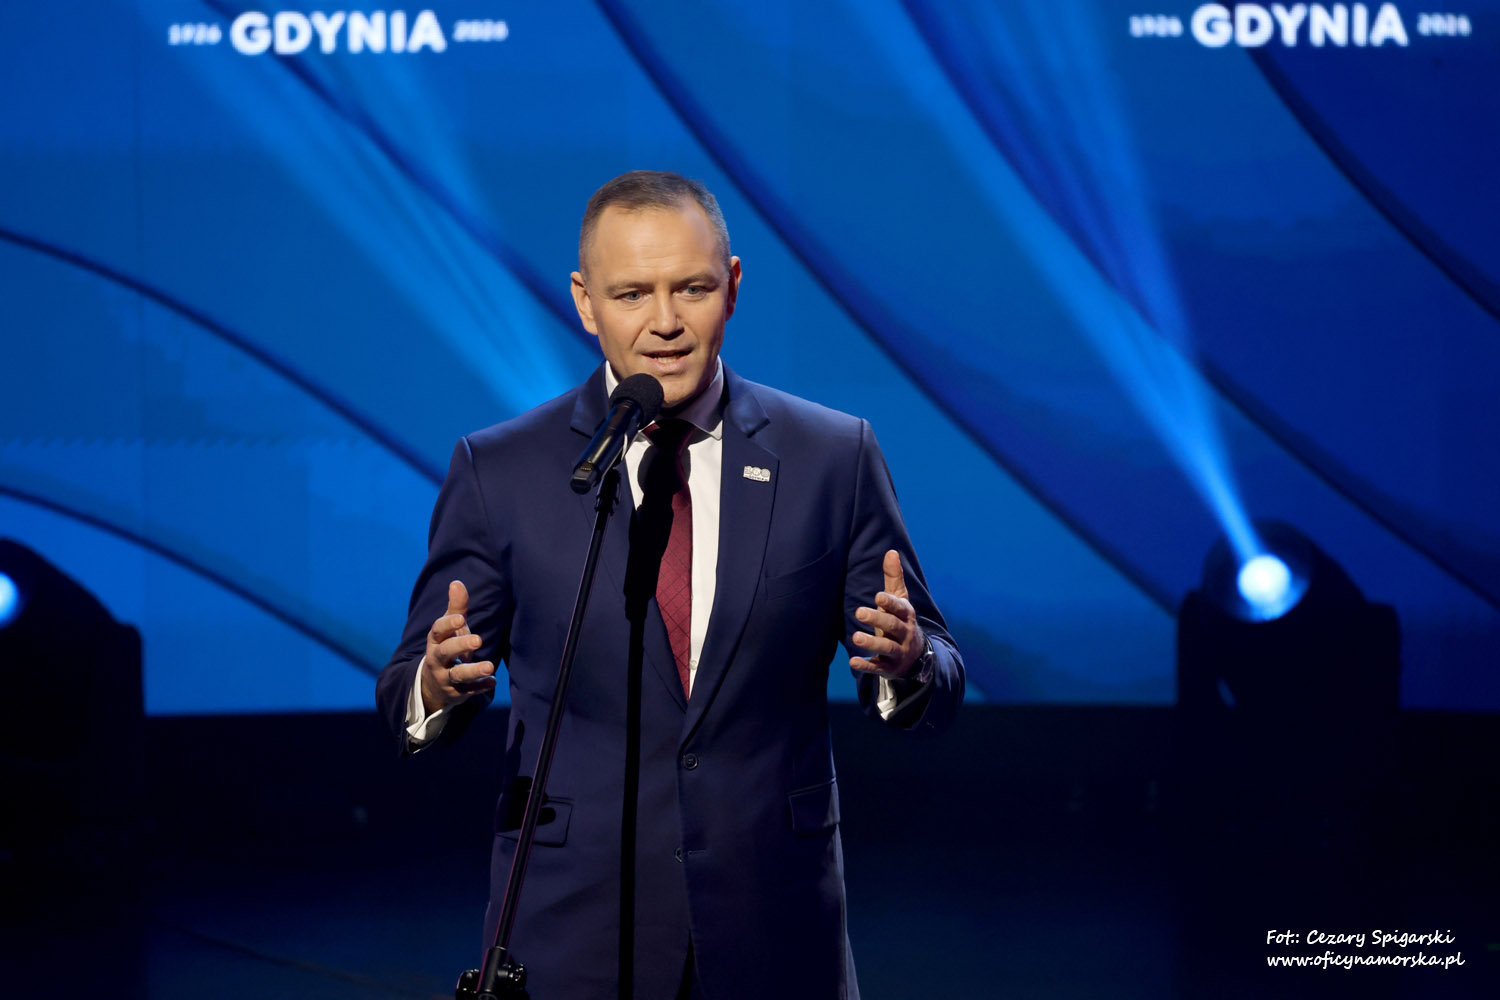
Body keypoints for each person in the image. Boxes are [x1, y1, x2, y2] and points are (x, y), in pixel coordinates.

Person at [376, 171, 963, 999]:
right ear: (585, 303)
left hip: (775, 926)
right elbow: (406, 691)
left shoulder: (832, 457)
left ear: (732, 286)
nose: (664, 322)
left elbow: (938, 671)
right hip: (575, 931)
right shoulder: (500, 470)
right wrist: (435, 686)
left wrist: (908, 664)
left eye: (691, 288)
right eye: (631, 294)